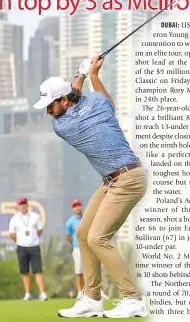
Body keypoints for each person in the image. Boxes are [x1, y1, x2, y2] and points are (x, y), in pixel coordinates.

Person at [33, 56, 148, 318]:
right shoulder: (97, 103)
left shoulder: (63, 125)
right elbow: (100, 100)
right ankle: (92, 298)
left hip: (128, 180)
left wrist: (82, 74)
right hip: (112, 180)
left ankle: (132, 299)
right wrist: (91, 74)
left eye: (50, 105)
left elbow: (75, 93)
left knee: (98, 238)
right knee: (83, 233)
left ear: (63, 101)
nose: (47, 112)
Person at [66, 199, 109, 302]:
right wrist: (76, 243)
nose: (77, 208)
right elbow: (68, 236)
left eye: (78, 205)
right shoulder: (70, 222)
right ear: (72, 209)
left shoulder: (87, 218)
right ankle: (80, 292)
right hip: (77, 248)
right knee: (79, 270)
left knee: (92, 269)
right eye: (75, 206)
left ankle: (95, 291)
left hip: (89, 247)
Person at [9, 197, 47, 301]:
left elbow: (39, 230)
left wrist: (33, 238)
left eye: (24, 204)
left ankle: (42, 293)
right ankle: (27, 293)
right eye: (21, 204)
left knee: (38, 270)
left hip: (34, 246)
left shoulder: (35, 216)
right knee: (24, 271)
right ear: (18, 206)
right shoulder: (15, 218)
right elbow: (11, 233)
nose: (23, 206)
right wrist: (20, 241)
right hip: (22, 247)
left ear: (27, 205)